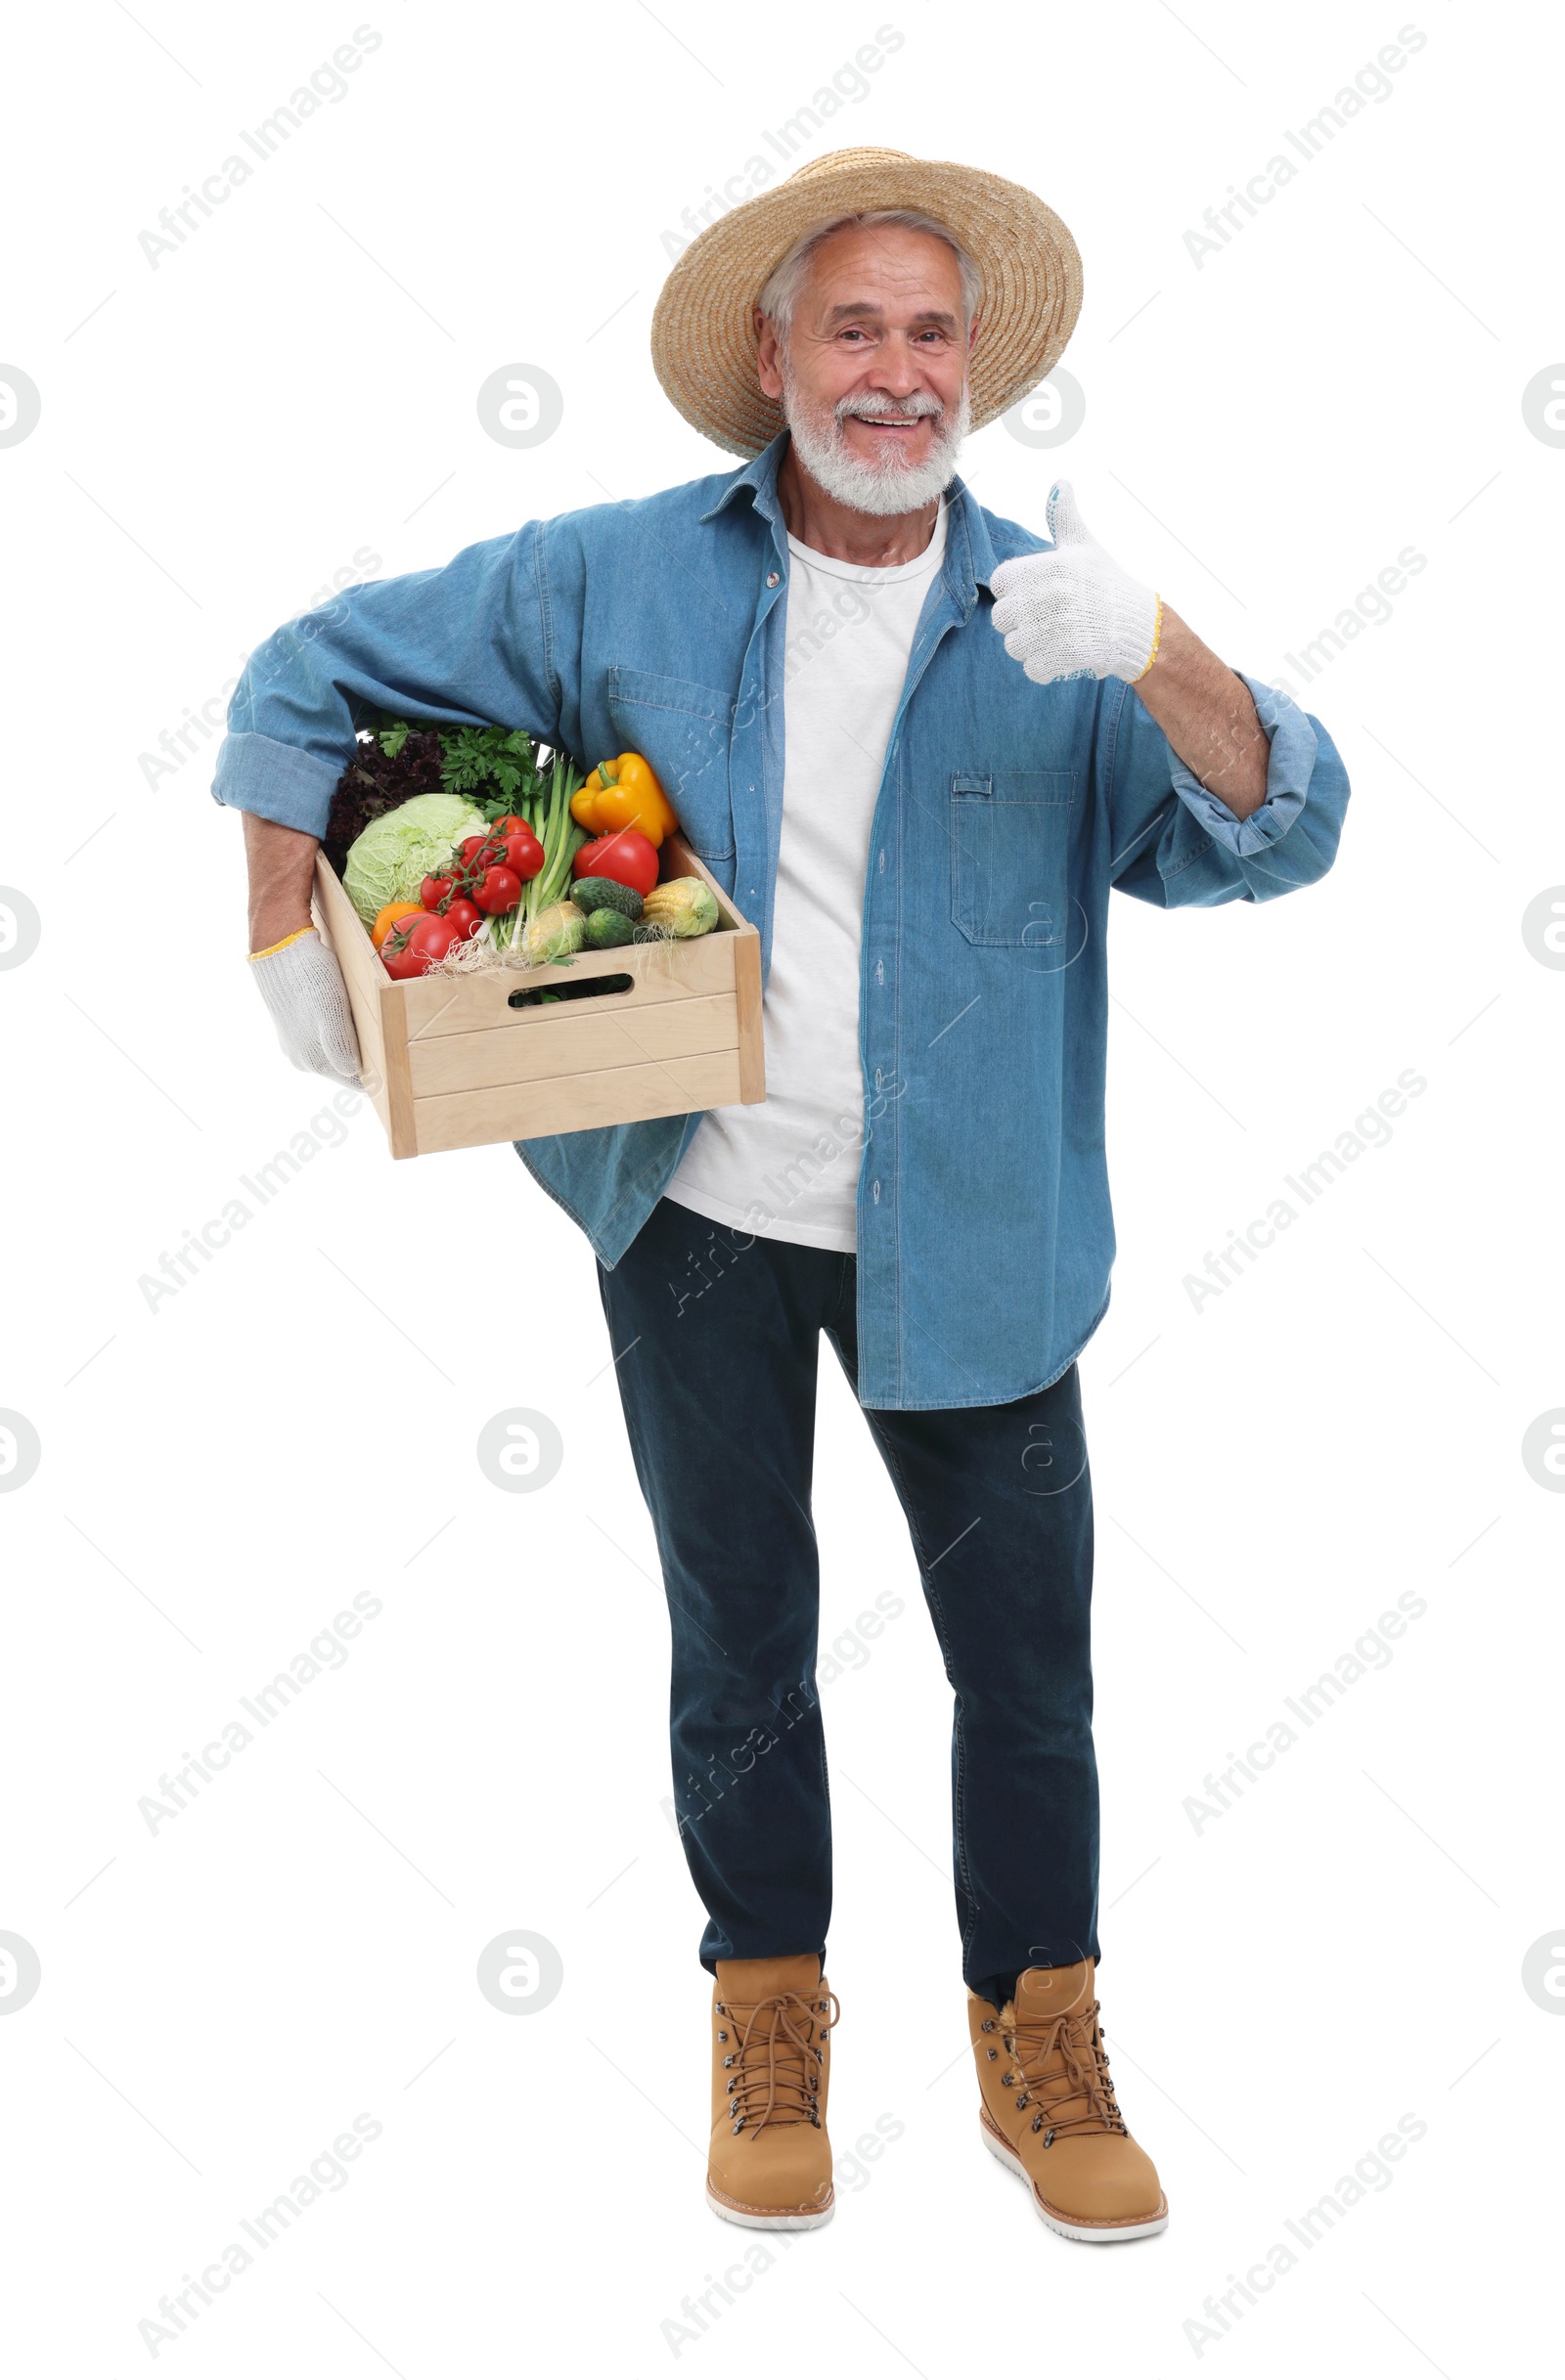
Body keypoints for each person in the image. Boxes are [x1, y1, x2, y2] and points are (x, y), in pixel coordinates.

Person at [218, 147, 1349, 2244]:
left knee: (1026, 1665)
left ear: (974, 365)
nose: (894, 370)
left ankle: (1041, 2022)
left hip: (981, 1236)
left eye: (931, 332)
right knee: (738, 1644)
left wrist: (1162, 647)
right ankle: (767, 2007)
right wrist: (287, 920)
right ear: (771, 356)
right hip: (693, 1216)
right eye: (852, 325)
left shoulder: (1057, 628)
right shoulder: (611, 576)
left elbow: (1280, 834)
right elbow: (308, 672)